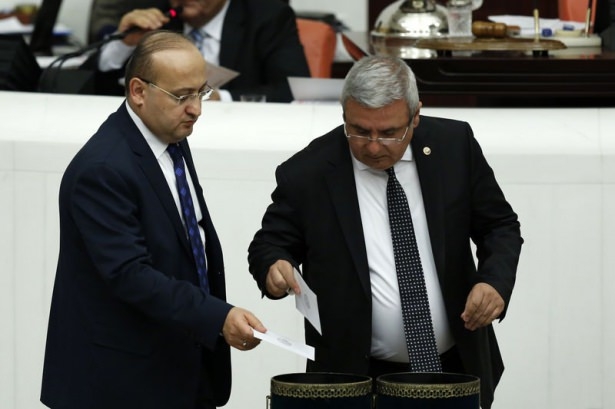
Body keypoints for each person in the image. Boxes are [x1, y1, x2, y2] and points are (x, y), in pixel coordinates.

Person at [247, 55, 523, 409]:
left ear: (415, 115)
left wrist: (494, 283)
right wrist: (274, 267)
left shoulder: (454, 146)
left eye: (390, 133)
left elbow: (499, 225)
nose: (374, 146)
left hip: (454, 367)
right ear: (344, 115)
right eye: (360, 131)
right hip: (354, 378)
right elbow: (269, 243)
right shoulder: (308, 172)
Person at [41, 31, 266, 409]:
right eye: (182, 96)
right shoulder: (102, 169)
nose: (196, 109)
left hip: (179, 368)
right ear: (138, 91)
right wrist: (217, 317)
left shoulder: (169, 138)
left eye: (201, 92)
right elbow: (131, 275)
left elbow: (187, 239)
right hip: (120, 384)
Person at [87, 0, 310, 102]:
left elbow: (293, 89)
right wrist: (124, 44)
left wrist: (220, 98)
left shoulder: (268, 16)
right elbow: (91, 82)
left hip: (239, 129)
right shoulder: (155, 15)